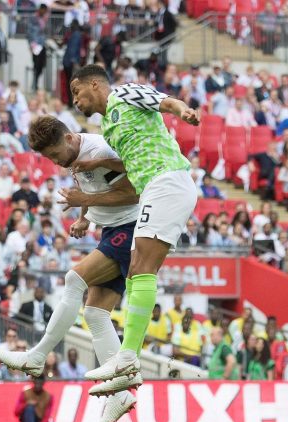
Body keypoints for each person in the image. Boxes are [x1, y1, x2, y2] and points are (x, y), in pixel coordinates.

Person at [0, 116, 141, 422]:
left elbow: (135, 191)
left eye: (55, 153)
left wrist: (86, 202)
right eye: (47, 158)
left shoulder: (101, 151)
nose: (55, 161)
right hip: (112, 228)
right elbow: (91, 185)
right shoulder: (76, 157)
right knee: (95, 312)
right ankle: (119, 393)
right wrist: (85, 217)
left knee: (74, 279)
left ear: (71, 138)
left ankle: (38, 355)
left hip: (132, 226)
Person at [69, 65, 200, 391]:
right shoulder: (108, 127)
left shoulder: (125, 93)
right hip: (155, 188)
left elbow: (166, 103)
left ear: (94, 84)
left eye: (76, 92)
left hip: (168, 179)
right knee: (139, 269)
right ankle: (128, 355)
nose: (75, 101)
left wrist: (184, 111)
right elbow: (126, 164)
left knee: (142, 267)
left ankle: (129, 356)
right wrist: (97, 165)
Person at [15, 375, 86, 422]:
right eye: (36, 382)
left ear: (43, 383)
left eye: (40, 383)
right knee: (29, 409)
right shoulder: (26, 393)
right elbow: (16, 412)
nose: (38, 385)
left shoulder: (48, 396)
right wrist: (26, 404)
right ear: (33, 382)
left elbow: (46, 417)